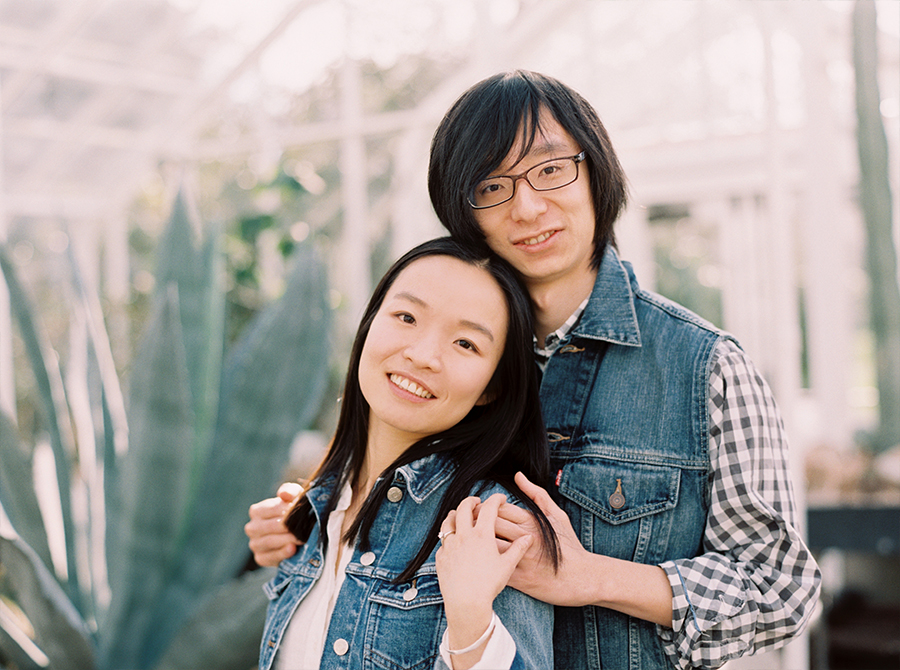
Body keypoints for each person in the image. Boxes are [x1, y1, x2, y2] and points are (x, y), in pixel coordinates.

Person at [248, 70, 821, 670]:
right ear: (462, 211)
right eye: (492, 186)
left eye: (550, 170)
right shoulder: (449, 361)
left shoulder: (706, 367)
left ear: (596, 170)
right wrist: (325, 521)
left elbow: (782, 589)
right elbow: (395, 483)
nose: (526, 206)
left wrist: (593, 578)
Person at [256, 236, 560, 670]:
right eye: (406, 316)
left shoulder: (488, 523)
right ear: (370, 322)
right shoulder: (319, 505)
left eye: (465, 344)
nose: (422, 356)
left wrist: (471, 620)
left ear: (492, 387)